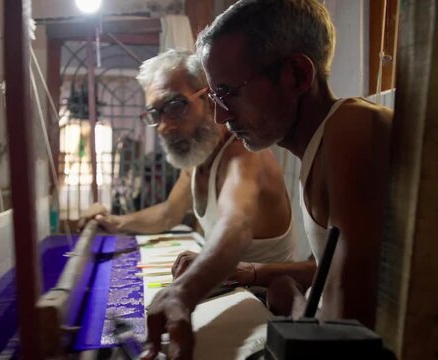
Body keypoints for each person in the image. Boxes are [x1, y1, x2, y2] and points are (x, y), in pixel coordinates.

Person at [143, 1, 393, 359]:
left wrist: (290, 301)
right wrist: (256, 273)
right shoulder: (324, 144)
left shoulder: (352, 130)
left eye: (228, 92)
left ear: (296, 74)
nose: (220, 114)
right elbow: (330, 267)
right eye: (214, 96)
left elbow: (344, 338)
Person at [78, 49, 314, 288]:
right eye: (155, 113)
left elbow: (235, 225)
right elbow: (169, 213)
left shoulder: (243, 158)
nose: (163, 126)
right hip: (231, 292)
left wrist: (182, 293)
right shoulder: (200, 156)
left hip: (265, 302)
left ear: (209, 97)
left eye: (175, 105)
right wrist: (112, 222)